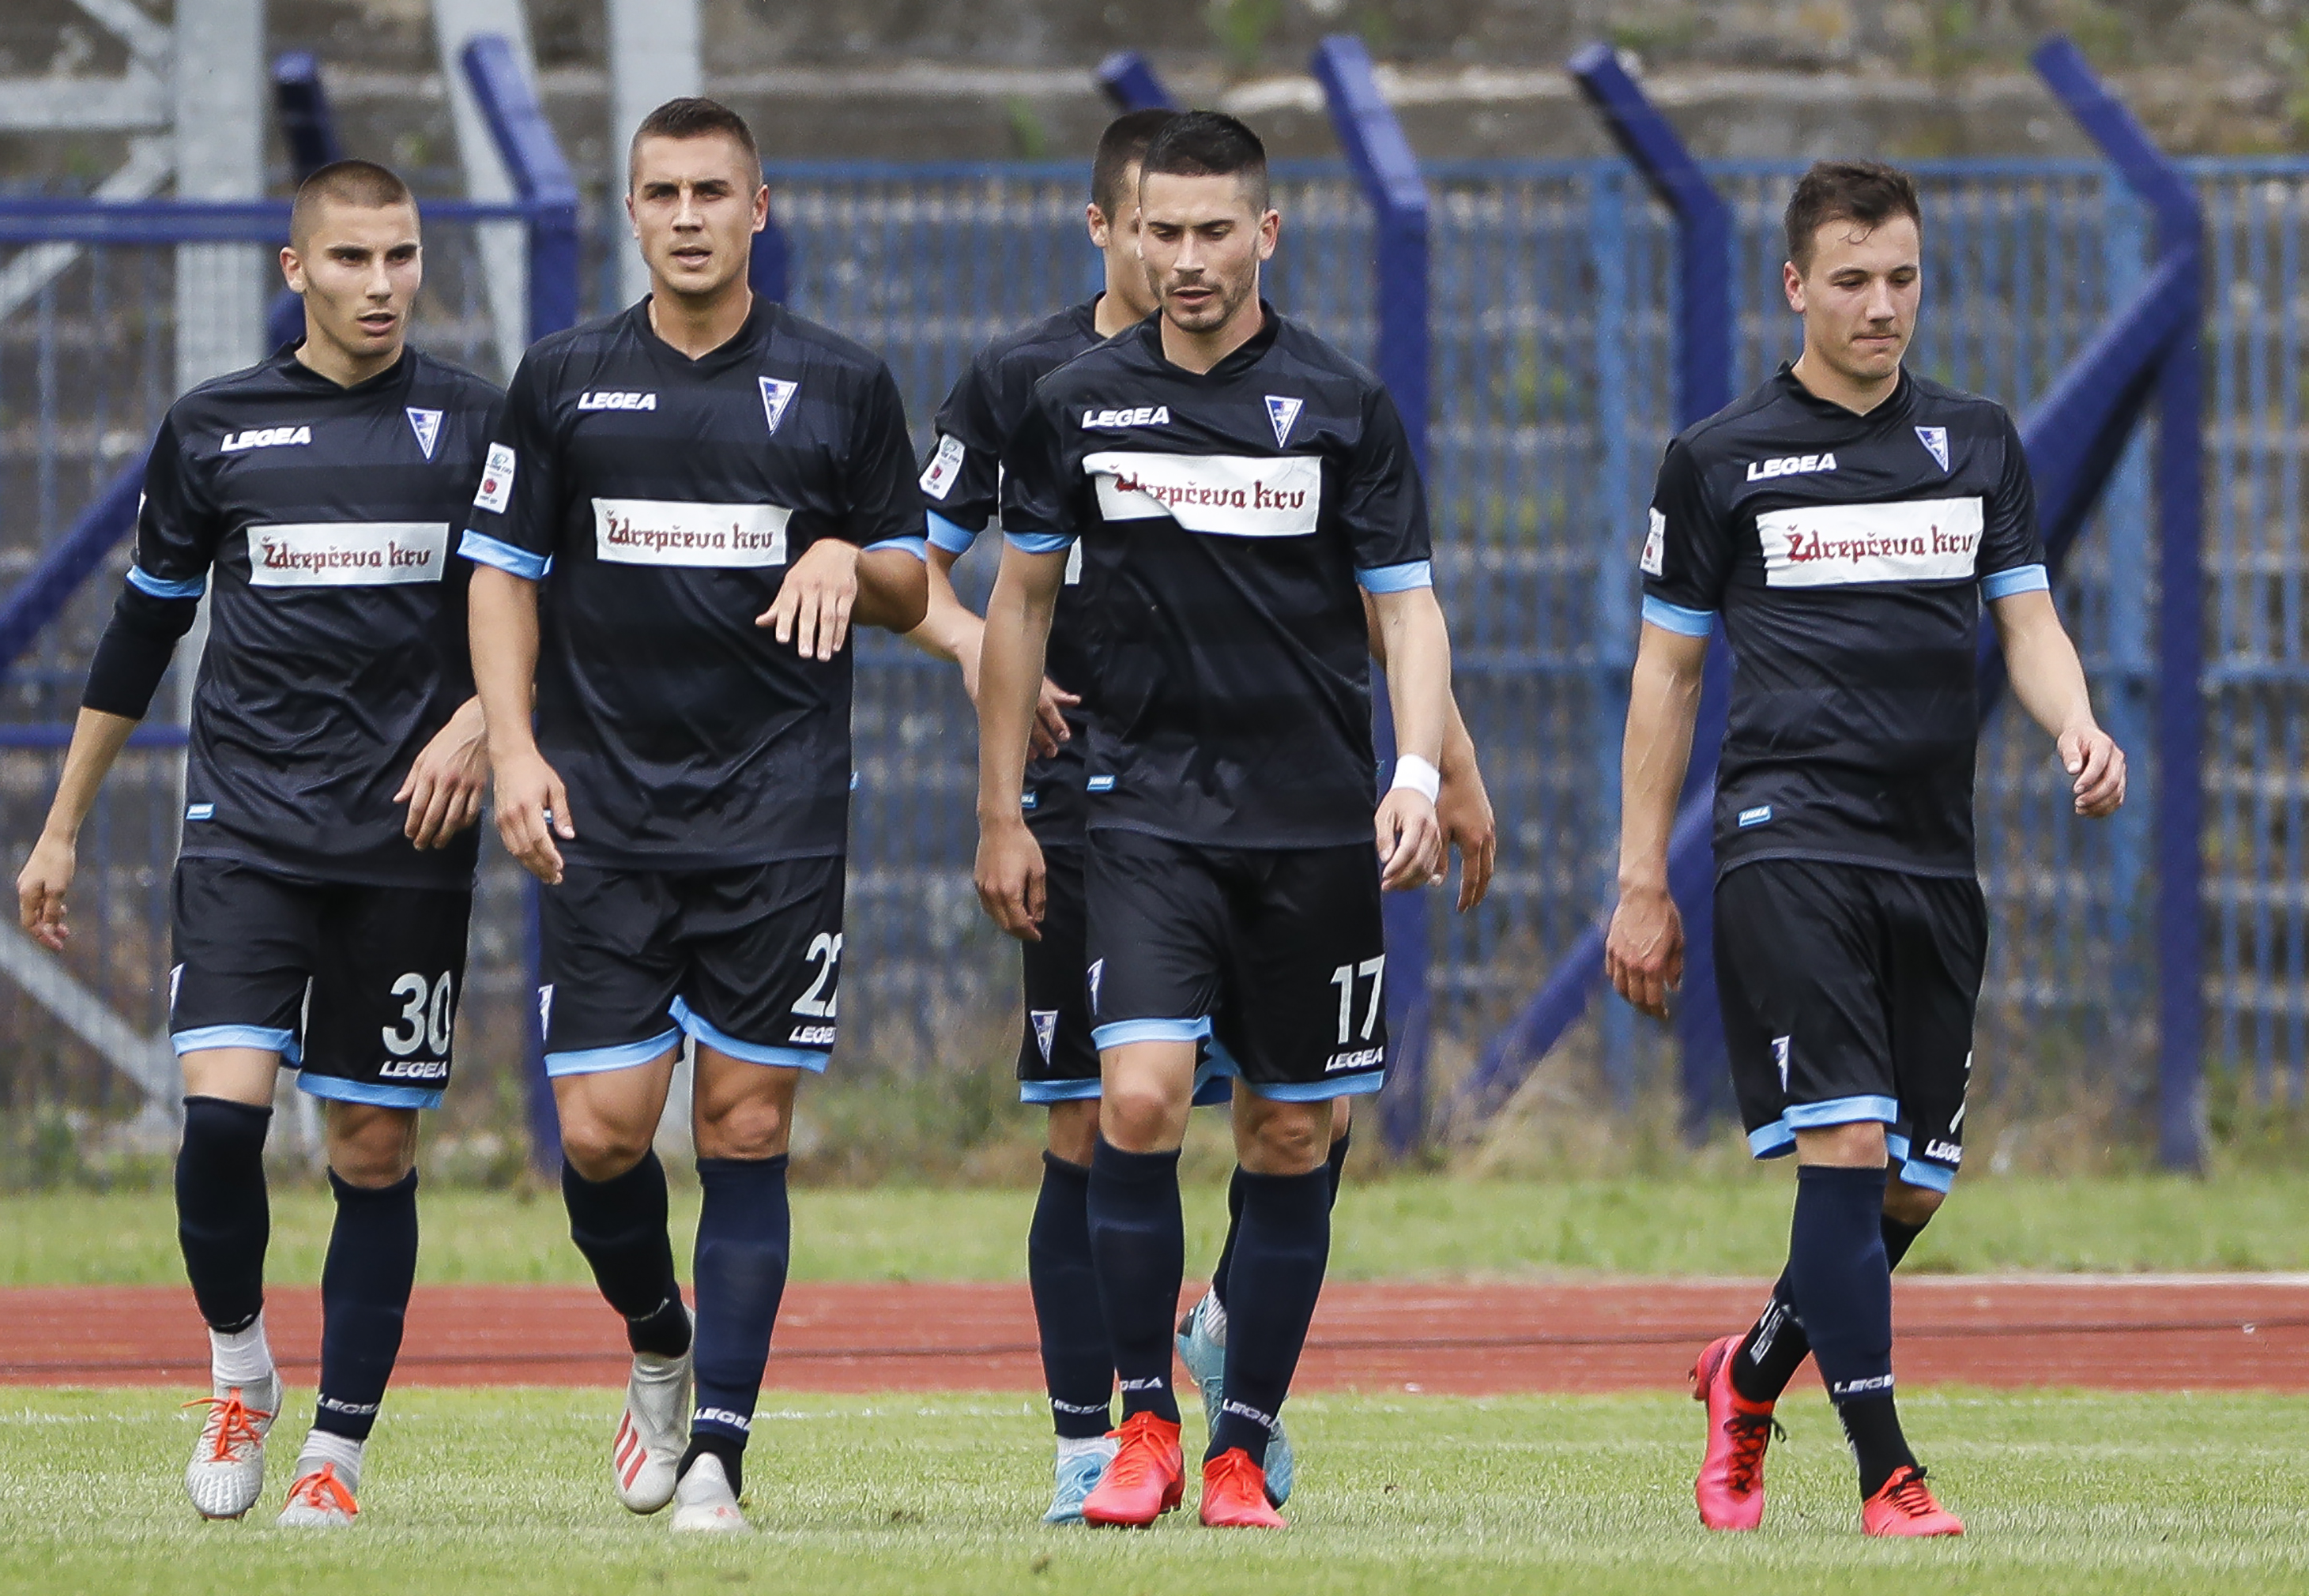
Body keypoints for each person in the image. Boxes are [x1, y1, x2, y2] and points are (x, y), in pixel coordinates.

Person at [910, 108, 1495, 1525]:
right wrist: (1002, 810)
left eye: (1213, 231)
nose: (1186, 258)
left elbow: (1404, 611)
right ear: (1126, 231)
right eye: (1162, 231)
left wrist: (1419, 774)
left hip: (1311, 830)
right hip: (1140, 817)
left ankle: (1243, 1442)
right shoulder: (1071, 403)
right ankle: (1141, 1428)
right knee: (1139, 1097)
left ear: (1265, 236)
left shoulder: (1343, 407)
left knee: (1296, 1135)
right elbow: (1019, 608)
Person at [1603, 160, 2126, 1539]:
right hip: (1786, 839)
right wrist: (1641, 876)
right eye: (1852, 279)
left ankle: (1747, 1371)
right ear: (1797, 286)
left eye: (1901, 277)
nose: (1881, 305)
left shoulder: (1976, 443)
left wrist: (2077, 723)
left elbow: (2027, 621)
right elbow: (1664, 681)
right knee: (1841, 1141)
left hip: (1931, 856)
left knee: (1908, 1183)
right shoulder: (1719, 460)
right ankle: (1888, 1471)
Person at [461, 96, 928, 1536]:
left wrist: (854, 554)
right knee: (602, 1135)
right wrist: (516, 754)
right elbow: (499, 575)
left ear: (758, 208)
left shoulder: (841, 385)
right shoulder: (559, 381)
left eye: (711, 192)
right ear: (632, 209)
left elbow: (917, 581)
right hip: (602, 815)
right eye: (660, 191)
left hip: (778, 820)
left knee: (740, 1122)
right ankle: (659, 1345)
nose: (685, 215)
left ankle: (719, 1450)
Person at [14, 160, 500, 1527]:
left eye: (401, 258)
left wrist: (476, 725)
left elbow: (538, 610)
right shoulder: (218, 428)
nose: (382, 285)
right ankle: (240, 1371)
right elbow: (142, 626)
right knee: (218, 1121)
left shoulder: (475, 424)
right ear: (297, 271)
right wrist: (60, 828)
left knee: (370, 1152)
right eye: (351, 261)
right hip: (247, 831)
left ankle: (335, 1462)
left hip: (408, 839)